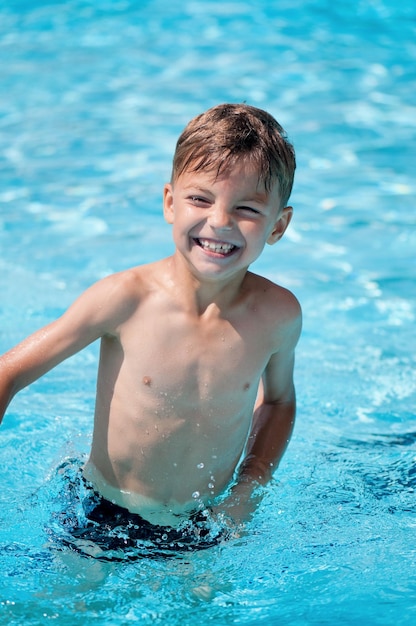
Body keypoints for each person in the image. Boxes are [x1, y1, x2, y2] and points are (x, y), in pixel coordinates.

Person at [0, 103, 302, 550]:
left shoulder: (277, 315)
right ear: (169, 202)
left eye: (246, 209)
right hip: (101, 513)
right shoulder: (126, 299)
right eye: (200, 199)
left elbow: (278, 401)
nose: (219, 221)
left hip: (202, 523)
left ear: (278, 226)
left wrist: (245, 494)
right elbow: (9, 373)